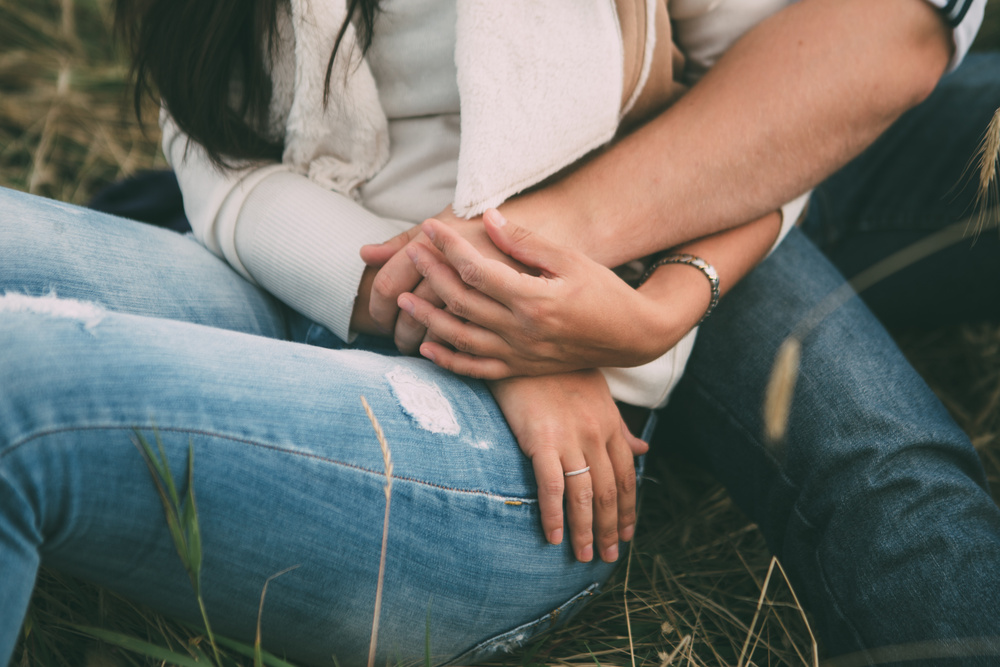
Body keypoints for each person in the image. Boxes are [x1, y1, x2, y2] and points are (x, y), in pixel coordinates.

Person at [0, 2, 995, 667]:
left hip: (515, 447)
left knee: (18, 383)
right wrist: (465, 320)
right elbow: (218, 160)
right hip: (301, 283)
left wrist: (651, 305)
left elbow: (788, 103)